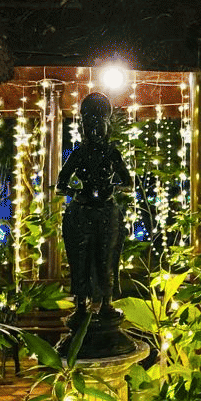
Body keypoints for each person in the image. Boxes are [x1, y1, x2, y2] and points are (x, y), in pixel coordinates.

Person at [56, 92, 136, 356]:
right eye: (89, 126)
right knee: (80, 258)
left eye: (98, 125)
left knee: (105, 258)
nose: (94, 130)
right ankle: (81, 303)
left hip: (105, 212)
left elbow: (127, 181)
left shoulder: (111, 152)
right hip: (82, 211)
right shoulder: (78, 154)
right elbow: (61, 182)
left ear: (106, 126)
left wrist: (110, 187)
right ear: (84, 128)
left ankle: (105, 303)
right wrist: (75, 190)